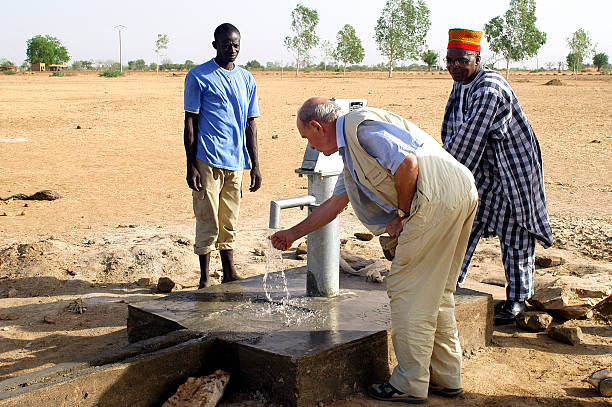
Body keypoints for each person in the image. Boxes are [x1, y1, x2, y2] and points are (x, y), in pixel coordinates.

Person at [271, 97, 478, 403]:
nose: (311, 147)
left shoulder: (360, 129)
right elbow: (334, 204)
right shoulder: (352, 153)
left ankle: (409, 383)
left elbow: (407, 164)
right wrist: (292, 234)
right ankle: (446, 377)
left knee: (407, 290)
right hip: (459, 191)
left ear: (317, 126)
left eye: (308, 138)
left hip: (433, 200)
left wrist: (402, 215)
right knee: (438, 292)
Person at [441, 28, 553, 325]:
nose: (454, 66)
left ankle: (518, 299)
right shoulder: (463, 83)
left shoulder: (489, 88)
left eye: (461, 60)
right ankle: (447, 286)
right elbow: (454, 130)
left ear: (477, 58)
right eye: (449, 60)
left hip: (510, 174)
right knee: (462, 228)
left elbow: (468, 140)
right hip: (483, 172)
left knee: (514, 235)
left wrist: (435, 170)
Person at [183, 23, 261, 289]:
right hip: (207, 159)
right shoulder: (198, 76)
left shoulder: (247, 79)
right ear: (215, 45)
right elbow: (190, 123)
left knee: (230, 218)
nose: (232, 50)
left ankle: (229, 272)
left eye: (236, 45)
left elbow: (251, 124)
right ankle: (204, 277)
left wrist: (255, 165)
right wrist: (190, 165)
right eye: (226, 45)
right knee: (207, 216)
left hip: (236, 161)